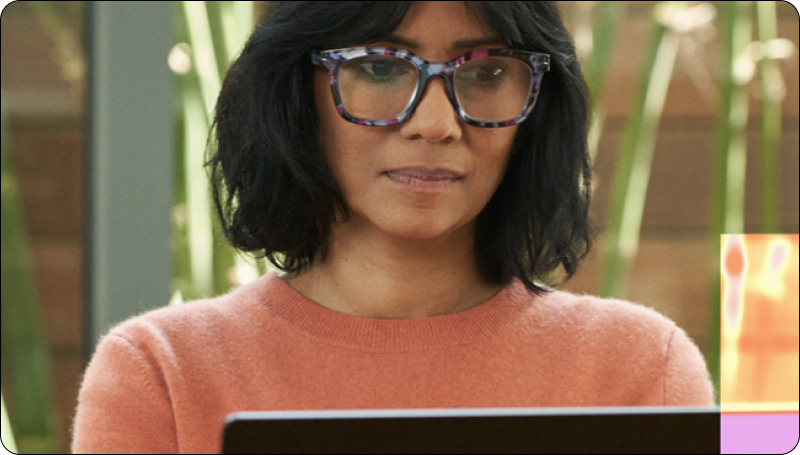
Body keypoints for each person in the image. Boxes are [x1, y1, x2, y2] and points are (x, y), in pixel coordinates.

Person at [71, 2, 715, 453]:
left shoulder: (639, 370)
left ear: (536, 112)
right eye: (380, 66)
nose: (435, 123)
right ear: (297, 94)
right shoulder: (161, 372)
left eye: (486, 72)